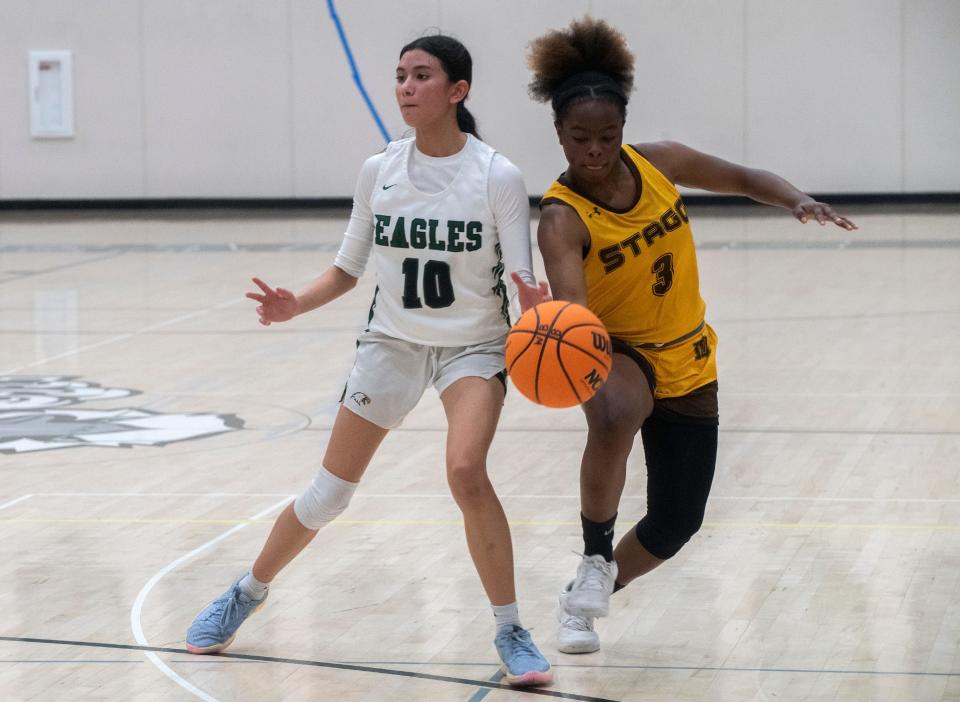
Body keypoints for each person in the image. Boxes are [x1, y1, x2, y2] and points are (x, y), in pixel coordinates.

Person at [185, 34, 553, 687]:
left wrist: (536, 307)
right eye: (401, 76)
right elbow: (346, 271)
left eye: (422, 76)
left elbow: (522, 285)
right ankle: (247, 590)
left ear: (457, 91)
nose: (406, 87)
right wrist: (293, 303)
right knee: (329, 496)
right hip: (392, 342)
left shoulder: (497, 175)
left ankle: (510, 627)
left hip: (474, 345)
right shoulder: (377, 170)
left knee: (466, 473)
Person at [517, 16, 858, 654]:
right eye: (579, 138)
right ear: (559, 132)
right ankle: (595, 555)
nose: (593, 150)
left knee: (678, 522)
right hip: (619, 351)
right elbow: (577, 315)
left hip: (691, 357)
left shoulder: (661, 163)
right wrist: (567, 344)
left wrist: (795, 199)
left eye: (607, 136)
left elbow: (744, 178)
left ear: (624, 129)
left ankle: (585, 598)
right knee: (615, 413)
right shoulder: (562, 216)